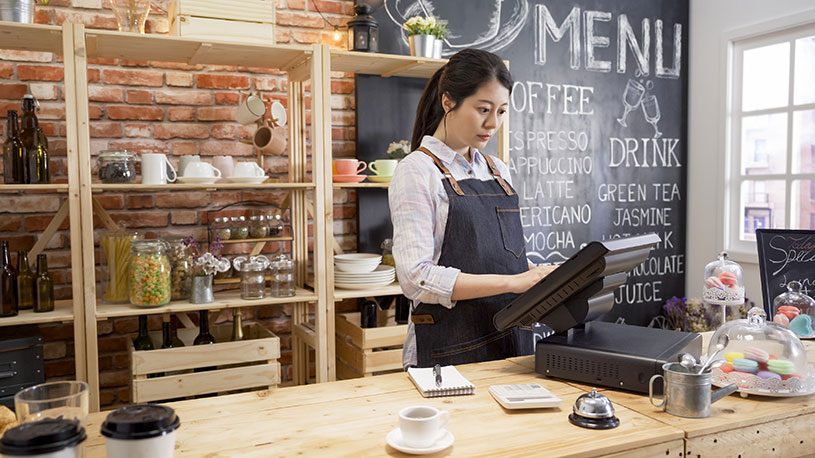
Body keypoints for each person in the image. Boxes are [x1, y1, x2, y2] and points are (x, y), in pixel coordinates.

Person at [389, 49, 554, 369]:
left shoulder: (498, 171)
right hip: (448, 350)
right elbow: (415, 278)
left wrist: (541, 276)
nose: (493, 124)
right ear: (448, 101)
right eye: (483, 109)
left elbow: (506, 257)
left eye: (502, 111)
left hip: (511, 342)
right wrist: (512, 283)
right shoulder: (417, 170)